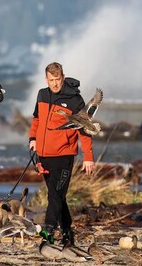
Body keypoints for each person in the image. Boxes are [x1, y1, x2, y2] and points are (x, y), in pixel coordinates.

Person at [29, 62, 95, 245]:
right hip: (43, 155)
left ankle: (48, 230)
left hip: (63, 156)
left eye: (58, 80)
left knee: (55, 195)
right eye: (51, 80)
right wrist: (32, 139)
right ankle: (67, 232)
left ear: (63, 77)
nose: (55, 84)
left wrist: (88, 157)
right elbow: (36, 119)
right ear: (46, 79)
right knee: (56, 195)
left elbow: (85, 130)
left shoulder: (75, 100)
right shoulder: (42, 94)